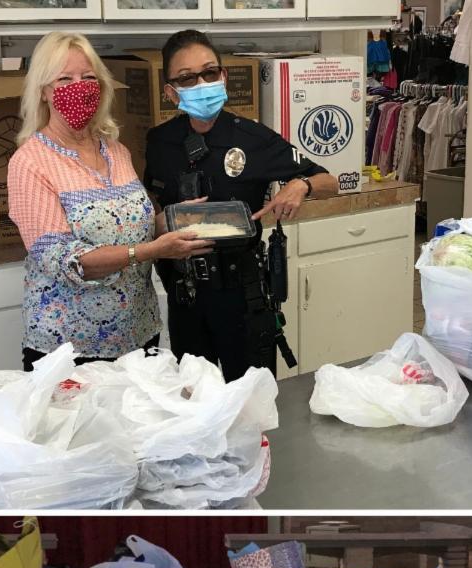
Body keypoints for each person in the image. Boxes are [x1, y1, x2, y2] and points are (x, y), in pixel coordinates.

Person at [7, 31, 211, 372]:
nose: (79, 87)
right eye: (65, 79)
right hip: (69, 350)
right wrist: (151, 251)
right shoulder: (30, 162)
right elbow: (64, 260)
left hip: (139, 335)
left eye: (88, 78)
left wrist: (176, 220)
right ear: (43, 90)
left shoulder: (116, 151)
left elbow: (137, 226)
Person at [144, 29, 339, 381]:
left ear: (223, 77)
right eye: (187, 78)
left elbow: (330, 182)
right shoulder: (160, 142)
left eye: (209, 72)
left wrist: (301, 184)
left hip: (241, 294)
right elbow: (151, 205)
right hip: (186, 294)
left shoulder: (253, 139)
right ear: (171, 92)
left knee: (251, 399)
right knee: (193, 396)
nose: (202, 83)